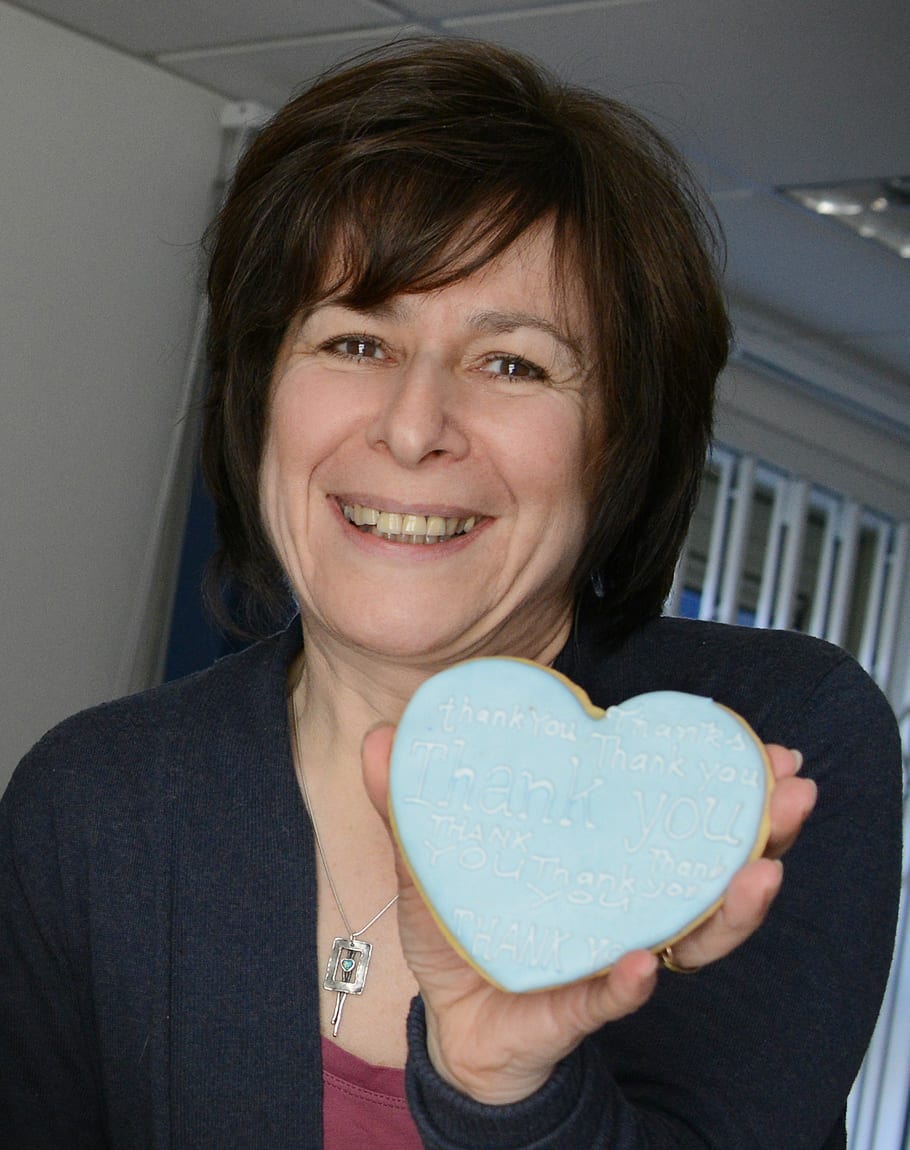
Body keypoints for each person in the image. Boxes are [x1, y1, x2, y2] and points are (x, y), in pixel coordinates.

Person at [1, 37, 902, 1150]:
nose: (414, 425)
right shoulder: (95, 805)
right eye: (354, 339)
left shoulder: (759, 757)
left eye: (512, 362)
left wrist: (505, 1092)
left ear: (620, 439)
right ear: (260, 394)